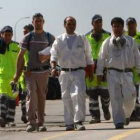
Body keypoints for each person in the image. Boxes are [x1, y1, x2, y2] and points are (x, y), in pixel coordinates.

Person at [50, 16, 94, 131]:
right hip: (64, 72)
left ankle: (78, 121)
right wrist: (53, 68)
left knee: (79, 94)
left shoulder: (81, 39)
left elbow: (89, 56)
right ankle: (69, 122)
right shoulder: (59, 40)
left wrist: (91, 71)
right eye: (69, 23)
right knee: (66, 97)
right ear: (64, 25)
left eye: (73, 23)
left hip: (79, 71)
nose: (71, 25)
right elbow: (53, 55)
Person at [13, 13, 55, 132]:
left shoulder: (49, 37)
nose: (38, 23)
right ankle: (31, 122)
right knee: (31, 96)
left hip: (44, 72)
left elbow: (56, 52)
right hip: (30, 73)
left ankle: (40, 123)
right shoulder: (28, 37)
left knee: (41, 97)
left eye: (40, 21)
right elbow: (20, 56)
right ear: (33, 22)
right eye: (36, 21)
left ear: (43, 22)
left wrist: (47, 57)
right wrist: (17, 74)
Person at [97, 17, 140, 129]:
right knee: (115, 98)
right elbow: (101, 58)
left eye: (118, 26)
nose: (116, 28)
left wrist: (139, 70)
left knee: (130, 98)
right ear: (112, 27)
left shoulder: (131, 41)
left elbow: (137, 57)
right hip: (113, 73)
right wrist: (99, 73)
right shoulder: (107, 42)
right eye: (114, 26)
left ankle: (126, 115)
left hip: (127, 73)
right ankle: (119, 122)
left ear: (122, 27)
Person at [85, 14, 111, 124]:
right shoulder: (86, 37)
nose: (99, 24)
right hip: (91, 67)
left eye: (100, 22)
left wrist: (107, 68)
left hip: (104, 67)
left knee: (105, 93)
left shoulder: (109, 35)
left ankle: (105, 108)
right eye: (96, 22)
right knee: (92, 94)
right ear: (92, 24)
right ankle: (95, 116)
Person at [0, 26, 20, 127]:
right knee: (2, 96)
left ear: (12, 35)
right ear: (1, 35)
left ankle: (10, 120)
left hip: (14, 78)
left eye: (9, 35)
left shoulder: (16, 46)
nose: (7, 37)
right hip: (2, 76)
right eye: (5, 35)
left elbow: (23, 57)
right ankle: (2, 117)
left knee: (12, 99)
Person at [19, 24, 34, 124]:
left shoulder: (34, 43)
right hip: (24, 72)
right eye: (23, 31)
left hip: (34, 71)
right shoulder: (22, 43)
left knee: (33, 94)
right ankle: (25, 113)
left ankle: (32, 113)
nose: (23, 33)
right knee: (23, 94)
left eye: (25, 31)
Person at [126, 17, 140, 121]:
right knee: (130, 93)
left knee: (137, 93)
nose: (131, 26)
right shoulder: (124, 37)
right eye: (129, 24)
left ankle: (137, 113)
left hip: (138, 70)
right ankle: (131, 113)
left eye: (132, 24)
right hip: (128, 70)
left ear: (136, 25)